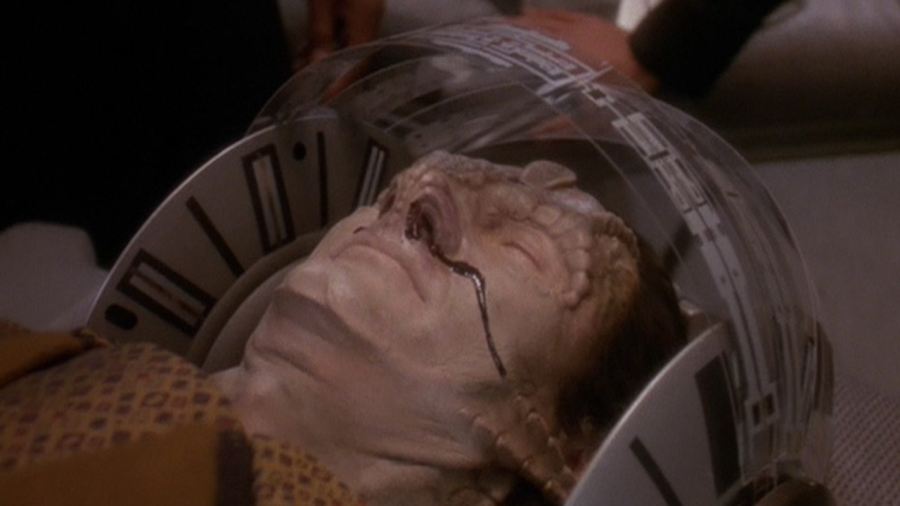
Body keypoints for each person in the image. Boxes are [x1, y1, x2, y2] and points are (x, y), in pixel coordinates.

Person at [1, 153, 686, 505]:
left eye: (524, 249)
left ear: (570, 457)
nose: (420, 201)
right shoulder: (64, 367)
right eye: (389, 198)